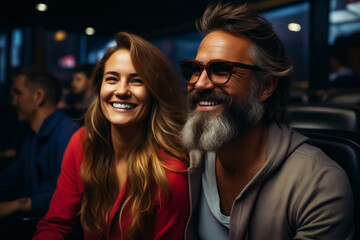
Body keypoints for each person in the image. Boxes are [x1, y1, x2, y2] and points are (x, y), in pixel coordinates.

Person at [180, 2, 354, 239]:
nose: (199, 83)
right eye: (195, 69)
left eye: (221, 69)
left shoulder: (319, 184)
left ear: (265, 86)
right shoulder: (185, 159)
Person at [33, 32, 190, 239]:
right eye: (112, 79)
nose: (121, 90)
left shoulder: (171, 173)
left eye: (137, 81)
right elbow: (56, 225)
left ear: (154, 93)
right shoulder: (82, 143)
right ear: (99, 89)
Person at [0, 66, 79, 235]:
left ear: (38, 97)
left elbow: (69, 196)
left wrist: (18, 204)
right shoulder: (33, 135)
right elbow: (13, 175)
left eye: (18, 93)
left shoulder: (68, 134)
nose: (13, 102)